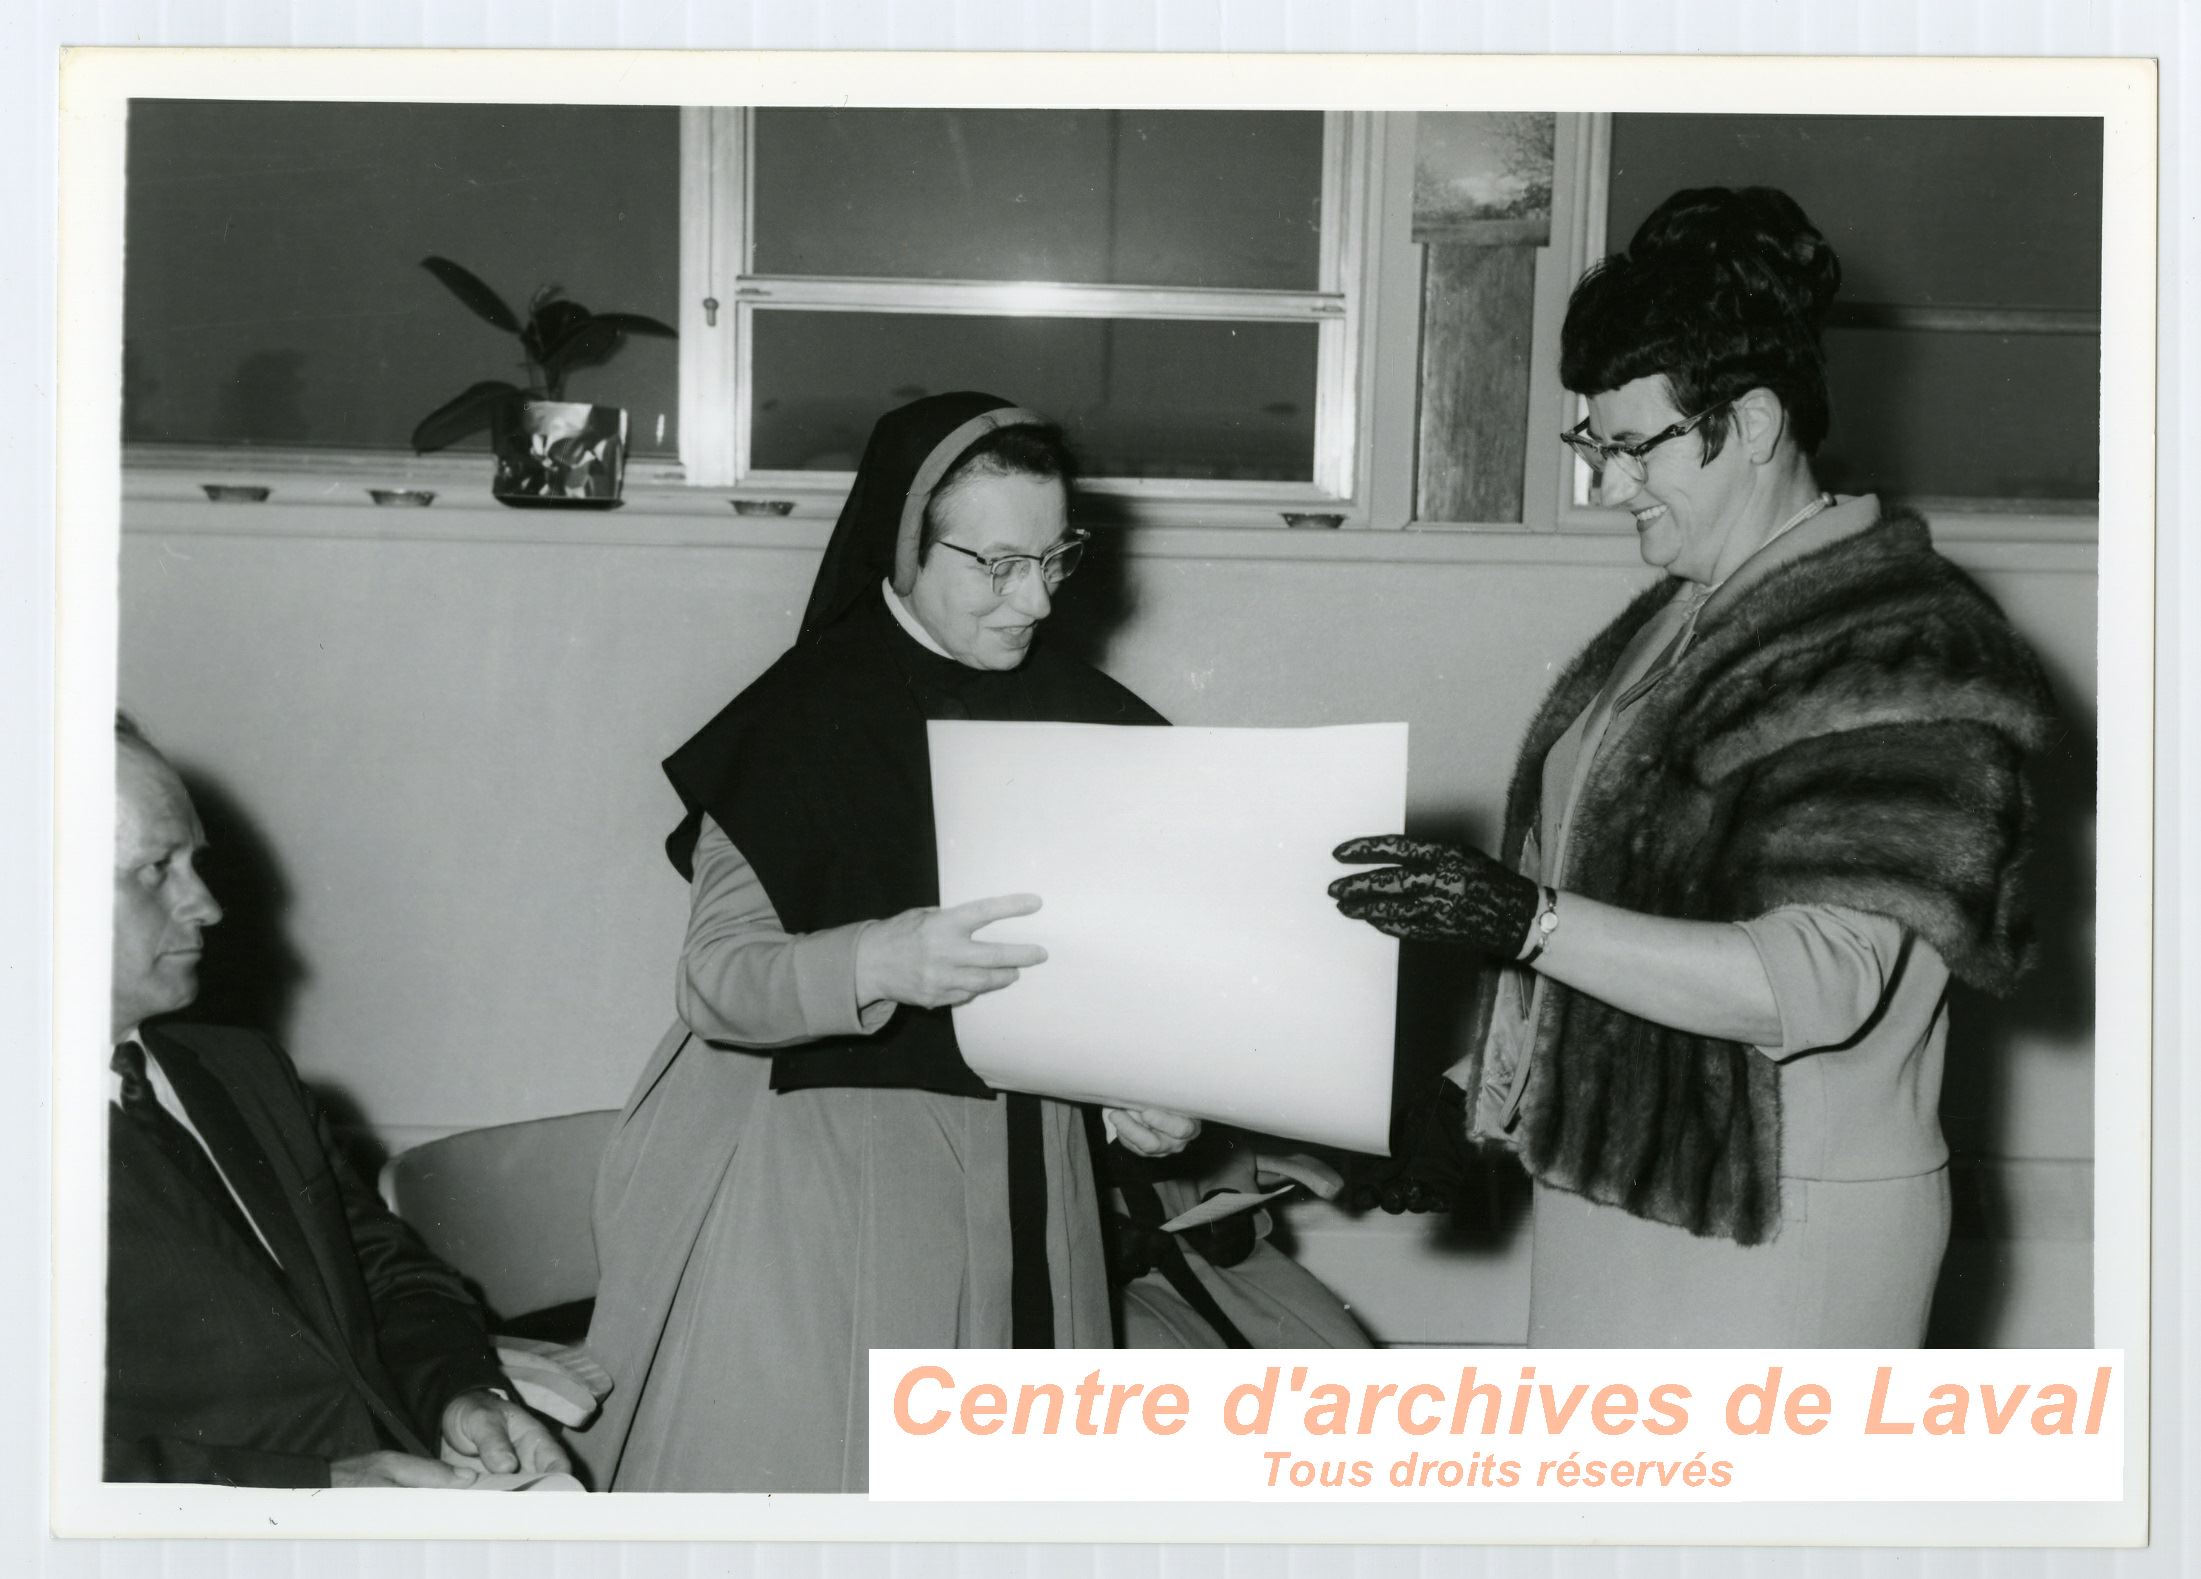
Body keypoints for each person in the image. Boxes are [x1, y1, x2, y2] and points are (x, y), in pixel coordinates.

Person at [1329, 187, 2059, 1346]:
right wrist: (1479, 1089)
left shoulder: (1903, 642)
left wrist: (1520, 919)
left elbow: (1810, 983)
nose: (1605, 484)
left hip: (1783, 1230)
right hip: (1616, 1196)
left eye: (1630, 447)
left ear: (1754, 422)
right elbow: (1614, 906)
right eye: (1592, 443)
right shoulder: (1675, 617)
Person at [578, 392, 1199, 1492]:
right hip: (822, 1165)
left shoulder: (1086, 712)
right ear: (905, 546)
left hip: (1031, 1161)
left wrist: (1129, 1090)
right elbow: (718, 981)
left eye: (1056, 557)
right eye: (996, 564)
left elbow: (1107, 965)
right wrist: (882, 959)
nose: (1037, 597)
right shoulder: (804, 712)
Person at [104, 715, 570, 1486]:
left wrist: (462, 1392)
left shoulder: (245, 1070)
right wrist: (318, 1491)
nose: (207, 904)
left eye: (196, 862)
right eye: (157, 868)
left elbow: (387, 1277)